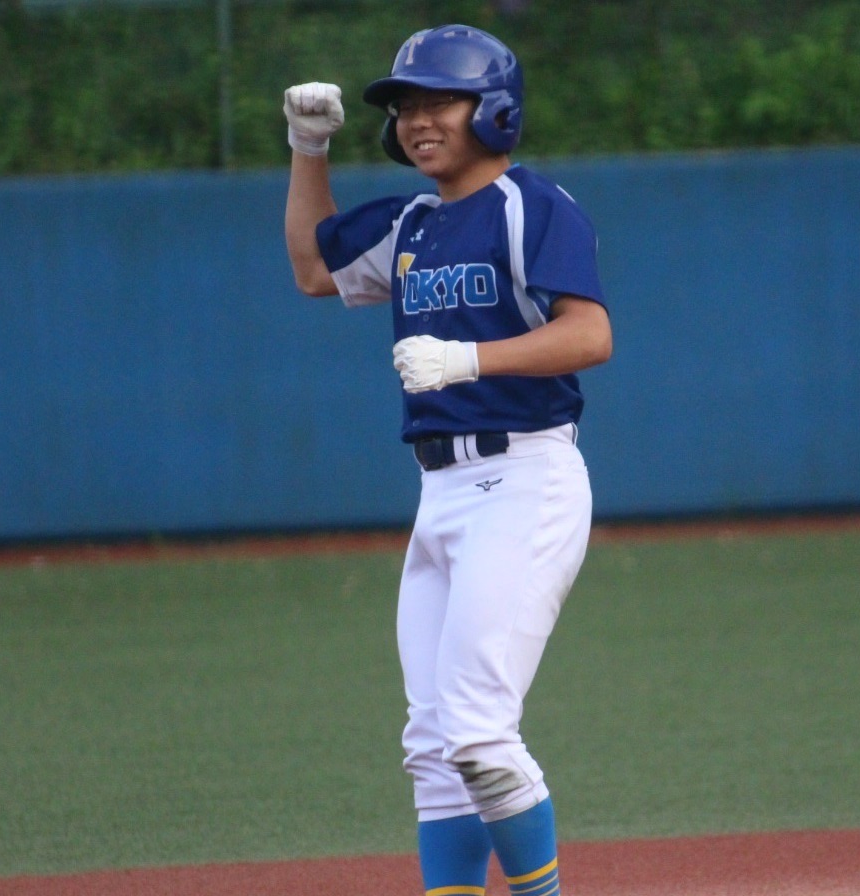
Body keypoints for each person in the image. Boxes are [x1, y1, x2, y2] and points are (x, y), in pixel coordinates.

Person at [281, 23, 610, 896]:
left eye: (440, 102)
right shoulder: (412, 221)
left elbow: (590, 333)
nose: (419, 120)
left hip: (526, 480)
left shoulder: (534, 206)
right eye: (405, 106)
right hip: (442, 492)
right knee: (432, 748)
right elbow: (315, 268)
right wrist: (308, 148)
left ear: (493, 111)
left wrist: (472, 360)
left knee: (476, 731)